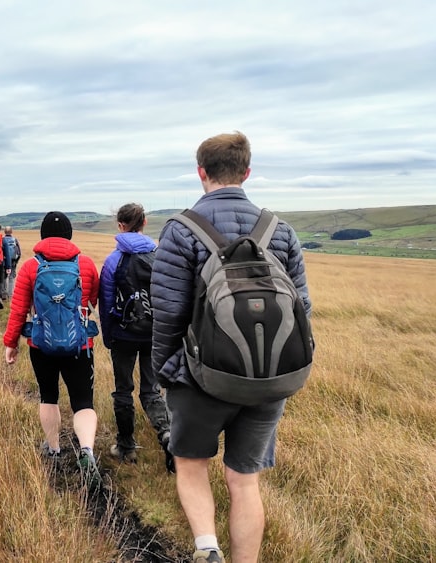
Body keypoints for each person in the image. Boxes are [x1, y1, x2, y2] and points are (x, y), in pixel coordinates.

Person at [151, 132, 312, 563]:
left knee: (191, 465)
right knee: (244, 481)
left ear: (201, 172)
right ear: (247, 172)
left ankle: (207, 549)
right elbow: (303, 308)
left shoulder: (181, 230)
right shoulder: (281, 232)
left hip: (200, 377)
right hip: (269, 382)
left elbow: (167, 312)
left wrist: (168, 372)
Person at [3, 211, 101, 487]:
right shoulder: (86, 264)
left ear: (43, 235)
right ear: (70, 234)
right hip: (80, 345)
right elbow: (92, 300)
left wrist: (11, 343)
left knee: (49, 396)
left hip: (41, 344)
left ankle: (54, 449)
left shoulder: (31, 267)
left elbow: (18, 310)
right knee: (83, 401)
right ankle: (87, 450)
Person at [98, 203, 173, 470]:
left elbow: (105, 304)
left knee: (123, 390)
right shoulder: (160, 257)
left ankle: (126, 446)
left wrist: (109, 337)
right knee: (152, 391)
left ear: (120, 226)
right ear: (145, 224)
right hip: (154, 334)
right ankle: (166, 434)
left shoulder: (112, 261)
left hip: (122, 333)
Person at [2, 226, 22, 299]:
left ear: (4, 232)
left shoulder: (2, 240)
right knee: (11, 278)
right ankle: (10, 295)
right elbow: (19, 253)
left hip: (4, 261)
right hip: (13, 261)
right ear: (11, 232)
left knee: (4, 277)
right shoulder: (14, 240)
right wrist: (16, 261)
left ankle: (4, 294)